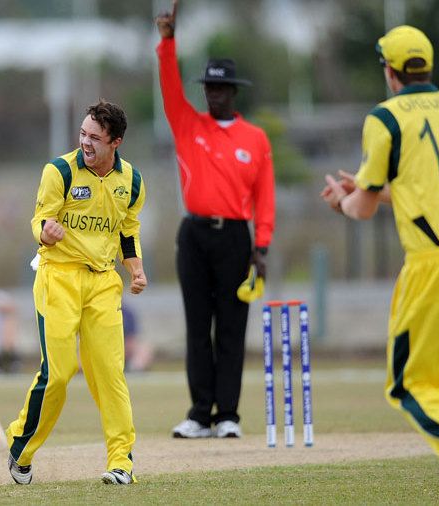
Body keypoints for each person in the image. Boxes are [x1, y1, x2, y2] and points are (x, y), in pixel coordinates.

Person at [320, 25, 439, 506]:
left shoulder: (385, 117)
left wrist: (345, 200)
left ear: (389, 70)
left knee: (409, 385)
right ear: (427, 65)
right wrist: (370, 191)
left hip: (434, 266)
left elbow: (362, 210)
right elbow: (431, 186)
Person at [6, 100, 147, 486]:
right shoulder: (60, 171)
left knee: (109, 373)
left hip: (103, 282)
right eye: (83, 134)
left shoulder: (131, 181)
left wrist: (134, 268)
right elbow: (40, 219)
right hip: (59, 277)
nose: (86, 143)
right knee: (59, 374)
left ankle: (122, 461)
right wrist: (45, 233)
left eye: (95, 138)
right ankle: (22, 446)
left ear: (115, 142)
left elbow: (127, 230)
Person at [155, 0, 276, 439]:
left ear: (234, 93)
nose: (213, 94)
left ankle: (228, 415)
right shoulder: (189, 125)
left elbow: (265, 197)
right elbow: (169, 89)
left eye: (221, 89)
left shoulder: (255, 139)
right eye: (208, 88)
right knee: (196, 326)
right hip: (194, 235)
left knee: (231, 327)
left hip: (235, 239)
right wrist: (168, 44)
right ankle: (199, 413)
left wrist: (261, 247)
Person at [121, 304, 154, 373]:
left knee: (144, 349)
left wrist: (127, 348)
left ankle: (134, 370)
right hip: (111, 347)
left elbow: (131, 337)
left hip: (125, 347)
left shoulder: (127, 313)